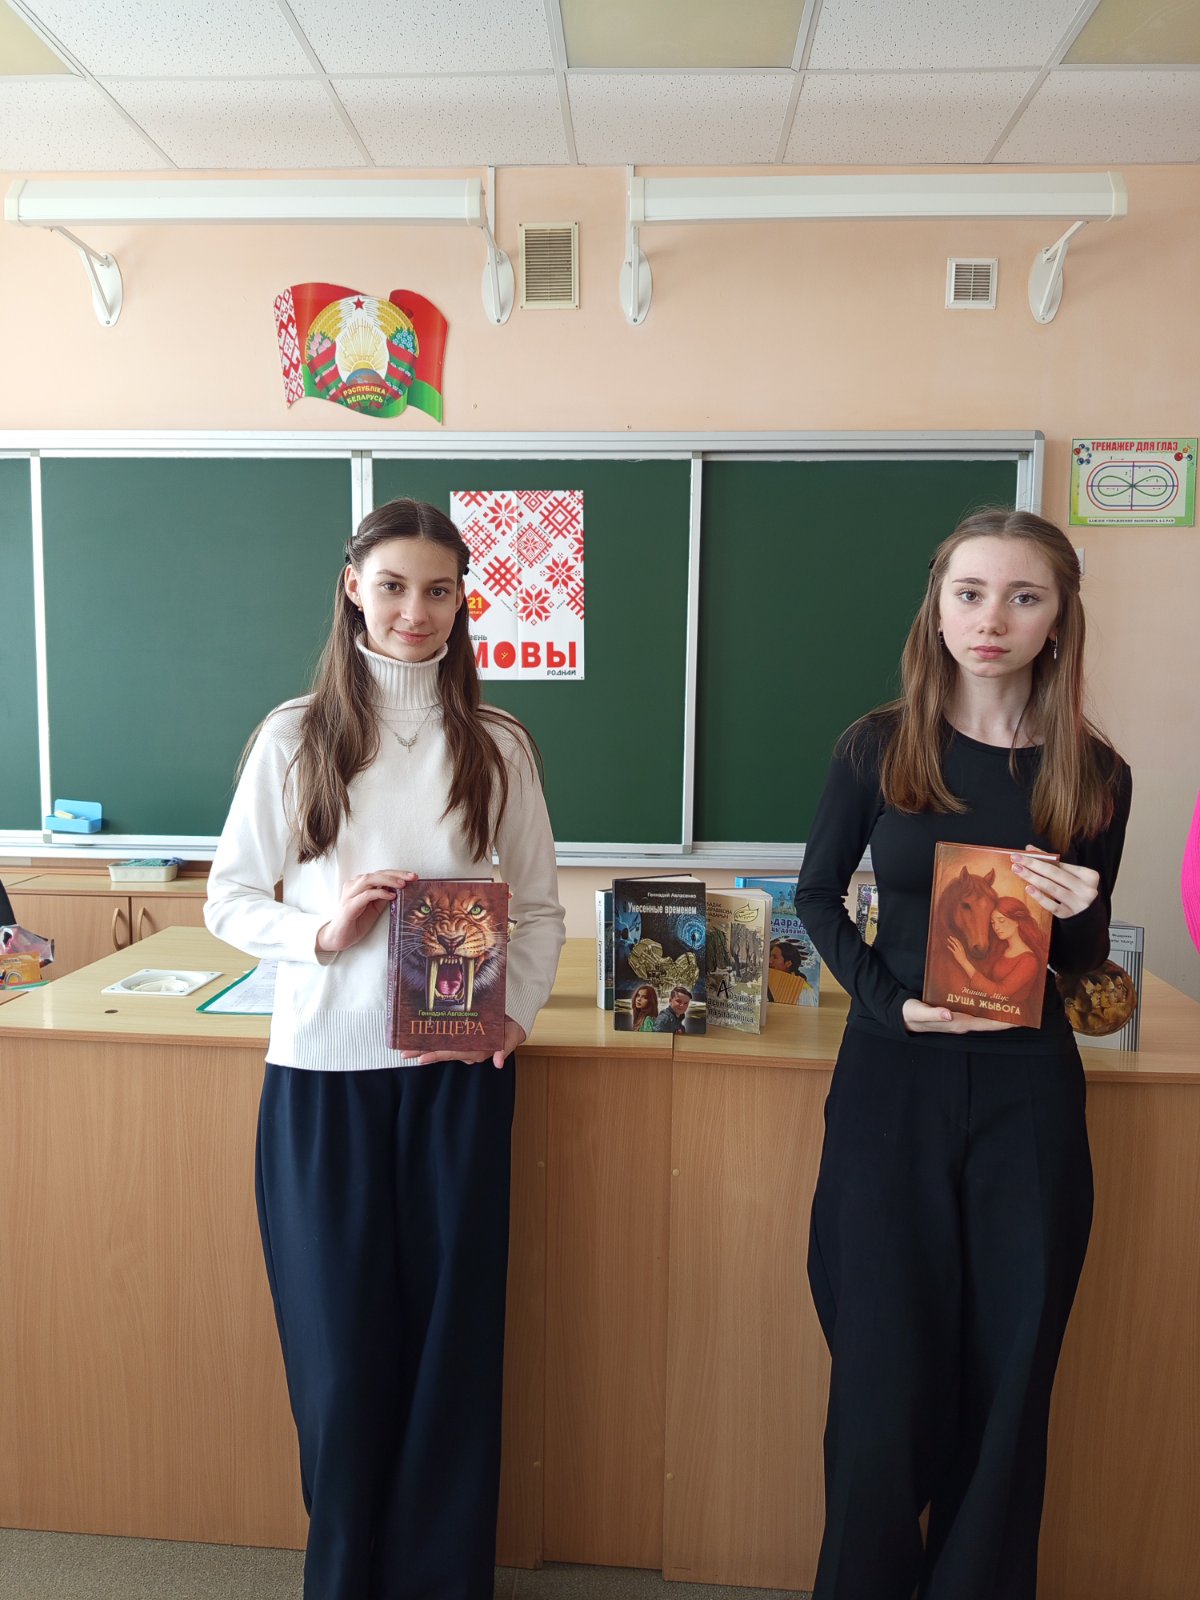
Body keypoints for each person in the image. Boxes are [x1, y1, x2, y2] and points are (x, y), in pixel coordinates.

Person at [205, 497, 565, 1600]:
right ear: (353, 586)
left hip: (456, 1079)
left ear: (463, 602)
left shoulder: (498, 743)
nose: (417, 610)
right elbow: (229, 899)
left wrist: (516, 1014)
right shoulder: (294, 735)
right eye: (396, 585)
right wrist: (322, 931)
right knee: (340, 1358)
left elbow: (538, 906)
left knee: (451, 1354)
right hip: (324, 1081)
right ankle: (348, 1578)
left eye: (439, 590)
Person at [794, 507, 1131, 1600]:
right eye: (971, 593)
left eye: (1024, 597)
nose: (993, 619)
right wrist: (893, 1007)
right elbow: (815, 895)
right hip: (892, 1082)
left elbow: (1080, 964)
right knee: (880, 1372)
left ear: (1057, 619)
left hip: (1028, 1094)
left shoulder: (1097, 771)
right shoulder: (876, 746)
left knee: (1011, 1372)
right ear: (937, 608)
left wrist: (1080, 910)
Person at [947, 893, 1049, 1010]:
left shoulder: (1029, 961)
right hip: (989, 1010)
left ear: (1017, 921)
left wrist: (964, 962)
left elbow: (999, 993)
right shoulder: (1001, 949)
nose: (996, 927)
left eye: (1001, 920)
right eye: (993, 922)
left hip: (1010, 1015)